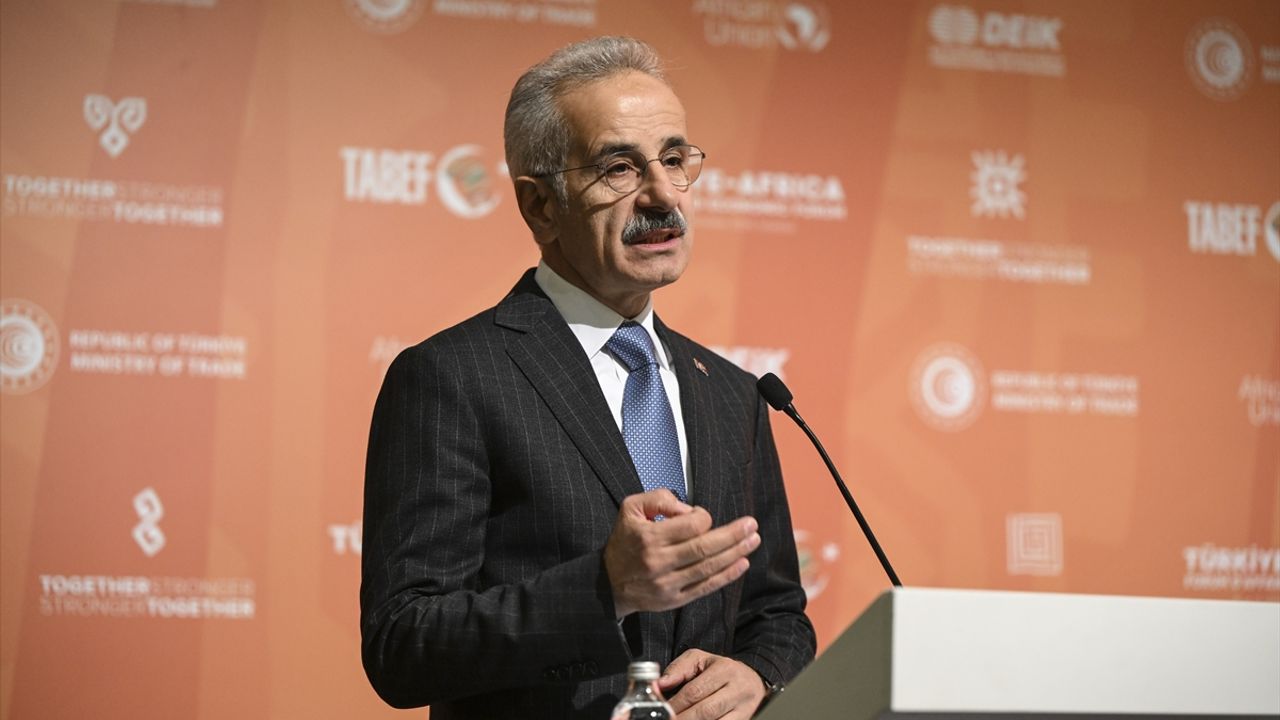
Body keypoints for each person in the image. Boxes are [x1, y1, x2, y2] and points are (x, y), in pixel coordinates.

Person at [361, 36, 815, 719]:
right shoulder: (452, 377)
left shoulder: (732, 392)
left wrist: (758, 673)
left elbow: (776, 613)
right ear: (541, 206)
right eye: (618, 168)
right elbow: (402, 642)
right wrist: (607, 589)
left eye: (673, 159)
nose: (662, 195)